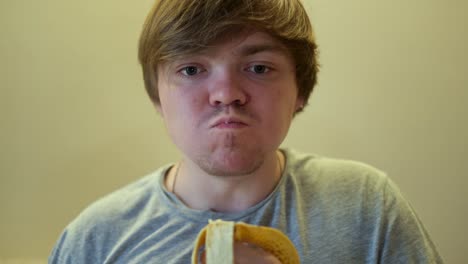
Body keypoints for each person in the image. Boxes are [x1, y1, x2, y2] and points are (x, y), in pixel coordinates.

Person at [49, 0, 444, 263]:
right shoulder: (94, 240)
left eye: (258, 68)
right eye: (191, 70)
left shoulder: (368, 207)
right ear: (157, 97)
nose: (226, 95)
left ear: (300, 91)